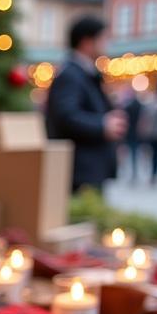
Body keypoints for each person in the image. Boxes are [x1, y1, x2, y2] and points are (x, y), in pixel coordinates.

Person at [45, 15, 127, 192]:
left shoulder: (83, 72)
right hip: (80, 170)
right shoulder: (71, 75)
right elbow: (67, 116)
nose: (108, 44)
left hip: (87, 168)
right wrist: (102, 124)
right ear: (87, 41)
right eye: (104, 38)